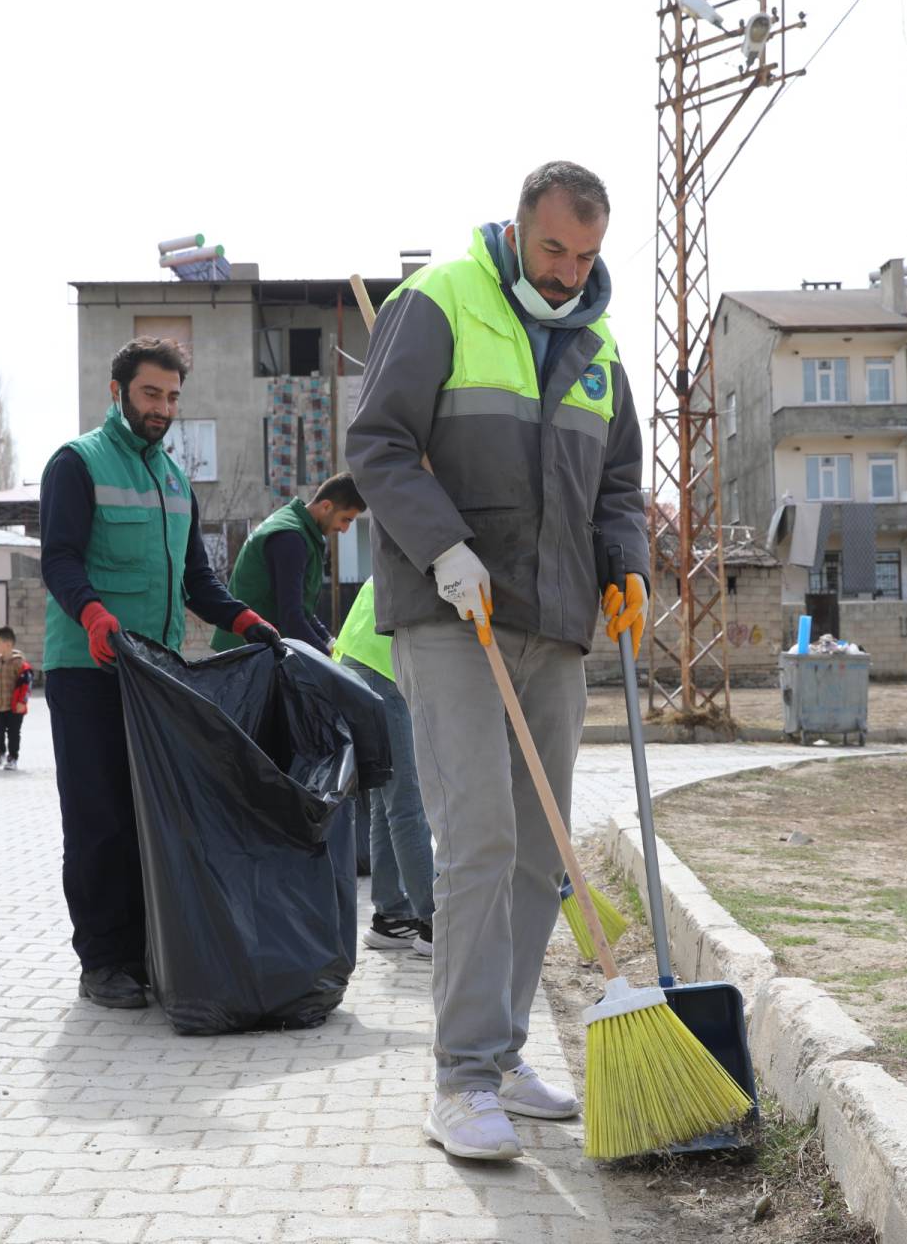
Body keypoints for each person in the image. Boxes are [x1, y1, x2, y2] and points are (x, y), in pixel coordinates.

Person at [346, 161, 649, 1161]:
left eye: (587, 256)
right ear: (520, 228)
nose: (567, 273)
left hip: (556, 624)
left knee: (538, 854)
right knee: (476, 838)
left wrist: (626, 565)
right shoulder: (437, 302)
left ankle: (504, 1048)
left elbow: (618, 483)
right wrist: (443, 546)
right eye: (555, 248)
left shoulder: (599, 345)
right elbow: (379, 443)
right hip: (453, 612)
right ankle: (460, 1078)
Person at [40, 336, 280, 1010]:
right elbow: (58, 558)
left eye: (173, 396)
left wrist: (246, 621)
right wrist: (91, 616)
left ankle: (148, 950)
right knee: (100, 817)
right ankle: (104, 960)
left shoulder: (173, 480)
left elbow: (198, 580)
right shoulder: (77, 464)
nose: (163, 408)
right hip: (88, 668)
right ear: (117, 392)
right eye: (151, 393)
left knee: (151, 814)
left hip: (155, 672)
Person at [332, 579, 434, 958]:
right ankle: (434, 921)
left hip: (361, 660)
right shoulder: (446, 540)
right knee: (407, 802)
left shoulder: (416, 526)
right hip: (384, 665)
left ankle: (391, 915)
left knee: (385, 798)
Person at [212, 473, 365, 656]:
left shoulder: (295, 527)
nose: (345, 529)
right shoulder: (291, 538)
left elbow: (299, 608)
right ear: (326, 506)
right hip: (244, 656)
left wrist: (329, 642)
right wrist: (328, 661)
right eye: (346, 519)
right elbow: (291, 618)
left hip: (249, 650)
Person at [0, 625, 30, 770]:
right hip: (0, 706)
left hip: (15, 707)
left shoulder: (20, 664)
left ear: (8, 644)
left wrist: (22, 701)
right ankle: (0, 753)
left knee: (13, 733)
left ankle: (13, 758)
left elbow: (26, 684)